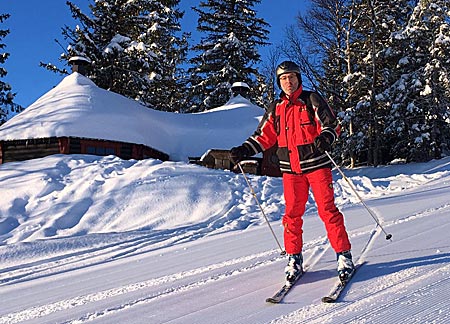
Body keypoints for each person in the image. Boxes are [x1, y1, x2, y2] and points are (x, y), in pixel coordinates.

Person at [229, 61, 354, 286]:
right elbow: (264, 136)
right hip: (291, 171)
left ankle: (343, 255)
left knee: (328, 211)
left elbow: (332, 124)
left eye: (292, 77)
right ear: (279, 82)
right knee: (291, 217)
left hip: (317, 166)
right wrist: (244, 149)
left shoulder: (311, 100)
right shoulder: (276, 108)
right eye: (284, 78)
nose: (289, 81)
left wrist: (326, 137)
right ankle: (294, 259)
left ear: (298, 79)